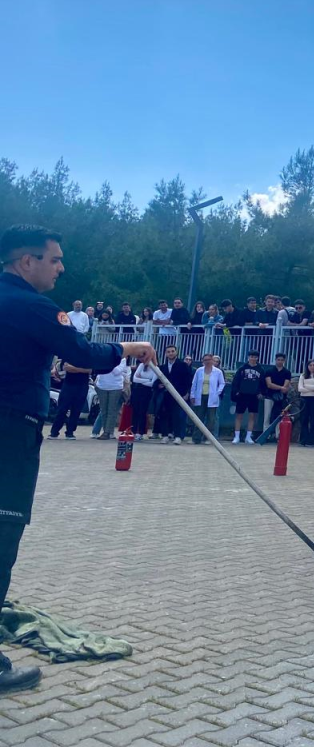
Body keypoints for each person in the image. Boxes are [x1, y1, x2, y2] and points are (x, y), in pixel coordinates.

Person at [0, 224, 157, 693]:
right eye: (55, 260)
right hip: (9, 434)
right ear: (26, 261)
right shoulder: (30, 305)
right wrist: (131, 347)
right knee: (2, 534)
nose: (61, 268)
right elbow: (82, 352)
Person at [155, 343, 194, 443]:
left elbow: (188, 380)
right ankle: (165, 435)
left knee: (177, 415)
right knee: (164, 415)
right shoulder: (163, 367)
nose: (171, 353)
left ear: (176, 352)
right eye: (168, 352)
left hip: (179, 394)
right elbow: (157, 381)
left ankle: (178, 436)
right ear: (165, 354)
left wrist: (187, 393)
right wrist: (158, 385)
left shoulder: (183, 365)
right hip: (165, 395)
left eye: (172, 351)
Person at [228, 350, 265, 443]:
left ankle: (248, 437)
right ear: (248, 357)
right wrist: (236, 391)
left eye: (255, 357)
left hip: (254, 396)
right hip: (242, 395)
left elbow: (263, 383)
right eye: (251, 356)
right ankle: (236, 436)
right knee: (239, 415)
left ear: (257, 358)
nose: (253, 358)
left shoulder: (260, 369)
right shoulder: (242, 368)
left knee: (252, 416)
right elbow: (236, 381)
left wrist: (261, 393)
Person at [48, 359, 91, 439]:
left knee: (76, 410)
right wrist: (82, 369)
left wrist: (74, 369)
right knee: (62, 409)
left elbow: (90, 370)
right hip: (68, 385)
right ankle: (54, 432)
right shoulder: (70, 355)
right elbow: (66, 367)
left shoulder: (87, 356)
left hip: (82, 386)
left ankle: (70, 432)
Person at [90, 355, 130, 439]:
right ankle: (106, 431)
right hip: (102, 386)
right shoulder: (103, 356)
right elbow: (99, 369)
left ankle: (107, 432)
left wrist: (109, 363)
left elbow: (117, 372)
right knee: (103, 410)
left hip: (115, 387)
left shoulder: (122, 360)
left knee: (111, 410)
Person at [189, 354, 226, 438]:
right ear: (203, 361)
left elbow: (222, 383)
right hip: (200, 396)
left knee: (211, 419)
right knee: (199, 418)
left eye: (209, 360)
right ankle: (196, 437)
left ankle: (207, 437)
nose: (207, 362)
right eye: (205, 360)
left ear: (212, 360)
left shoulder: (218, 372)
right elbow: (194, 383)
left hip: (212, 397)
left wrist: (217, 392)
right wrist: (192, 395)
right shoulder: (199, 371)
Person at [262, 353, 292, 432]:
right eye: (278, 360)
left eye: (282, 360)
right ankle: (265, 434)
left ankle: (277, 434)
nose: (280, 361)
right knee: (267, 416)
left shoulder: (287, 372)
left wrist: (281, 388)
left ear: (284, 361)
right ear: (275, 360)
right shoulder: (269, 371)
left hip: (281, 398)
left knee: (279, 416)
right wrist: (281, 387)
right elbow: (269, 384)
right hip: (269, 396)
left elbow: (285, 386)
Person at [129, 358, 157, 437]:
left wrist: (141, 379)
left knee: (142, 411)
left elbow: (152, 383)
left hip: (147, 392)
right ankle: (133, 431)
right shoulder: (141, 365)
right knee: (135, 411)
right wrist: (147, 380)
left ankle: (140, 432)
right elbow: (134, 379)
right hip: (137, 390)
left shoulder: (155, 368)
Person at [297, 359, 314, 446]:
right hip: (304, 399)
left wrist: (306, 386)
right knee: (304, 419)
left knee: (313, 420)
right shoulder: (303, 375)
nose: (312, 367)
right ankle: (303, 439)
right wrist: (312, 388)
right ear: (307, 366)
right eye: (310, 365)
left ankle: (311, 440)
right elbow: (300, 389)